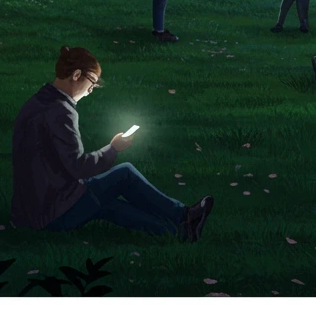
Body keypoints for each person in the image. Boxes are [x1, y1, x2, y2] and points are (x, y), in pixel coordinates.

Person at [12, 46, 214, 239]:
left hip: (29, 213)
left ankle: (177, 231)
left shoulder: (39, 100)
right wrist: (113, 149)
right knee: (124, 174)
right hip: (53, 210)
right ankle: (184, 215)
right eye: (92, 82)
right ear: (76, 75)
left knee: (107, 205)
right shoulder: (60, 111)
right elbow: (78, 167)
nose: (91, 90)